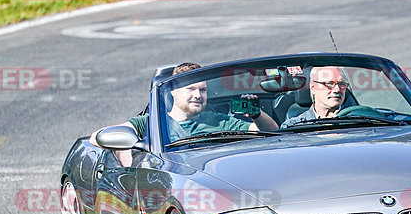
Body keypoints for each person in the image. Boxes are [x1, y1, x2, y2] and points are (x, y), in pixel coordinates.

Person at [91, 62, 278, 164]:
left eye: (203, 90)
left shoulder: (218, 122)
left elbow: (270, 130)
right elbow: (99, 137)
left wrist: (256, 114)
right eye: (191, 89)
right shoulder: (150, 123)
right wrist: (127, 161)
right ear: (173, 91)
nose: (198, 95)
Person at [280, 66, 349, 128]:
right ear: (313, 87)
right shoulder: (292, 127)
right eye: (329, 83)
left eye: (342, 84)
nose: (337, 90)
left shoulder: (356, 122)